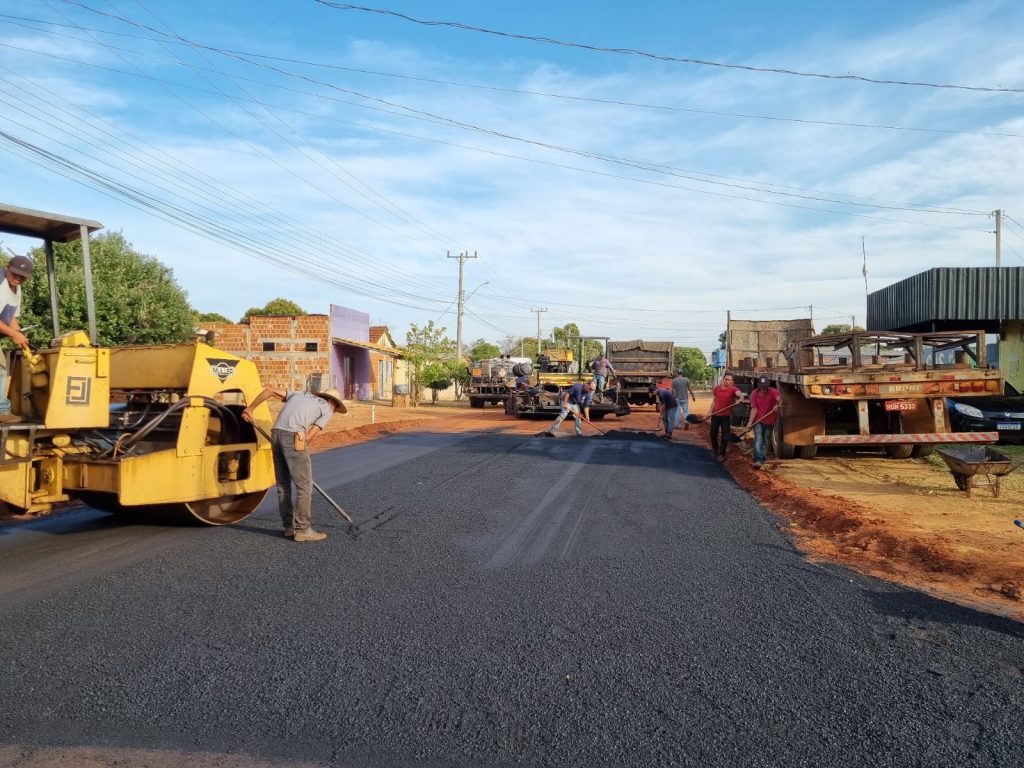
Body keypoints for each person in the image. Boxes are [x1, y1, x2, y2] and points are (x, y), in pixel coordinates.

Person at [242, 387, 347, 542]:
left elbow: (269, 390)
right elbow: (309, 437)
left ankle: (288, 528)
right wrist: (300, 455)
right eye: (336, 407)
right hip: (294, 437)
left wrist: (249, 409)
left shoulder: (299, 394)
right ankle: (303, 529)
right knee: (304, 486)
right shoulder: (327, 409)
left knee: (283, 484)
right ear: (332, 401)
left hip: (276, 434)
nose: (335, 410)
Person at [0, 255, 34, 424]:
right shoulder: (0, 284)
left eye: (22, 277)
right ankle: (1, 410)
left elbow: (10, 317)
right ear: (7, 268)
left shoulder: (16, 288)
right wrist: (14, 335)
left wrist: (20, 334)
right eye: (15, 275)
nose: (18, 279)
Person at [746, 376, 781, 468]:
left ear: (768, 385)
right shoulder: (754, 393)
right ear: (758, 385)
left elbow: (780, 399)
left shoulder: (774, 392)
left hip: (770, 420)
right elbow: (754, 409)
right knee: (758, 438)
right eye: (761, 386)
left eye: (765, 386)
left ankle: (763, 459)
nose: (763, 389)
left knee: (766, 440)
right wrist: (750, 422)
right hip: (758, 420)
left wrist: (778, 405)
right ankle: (757, 459)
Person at [708, 373, 742, 462]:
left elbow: (740, 394)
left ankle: (722, 454)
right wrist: (708, 413)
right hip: (715, 415)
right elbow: (714, 401)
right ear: (723, 379)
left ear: (732, 382)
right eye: (726, 379)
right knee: (712, 434)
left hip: (726, 416)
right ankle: (716, 450)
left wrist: (740, 399)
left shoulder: (733, 389)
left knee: (725, 436)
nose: (728, 381)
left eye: (730, 380)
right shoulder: (717, 389)